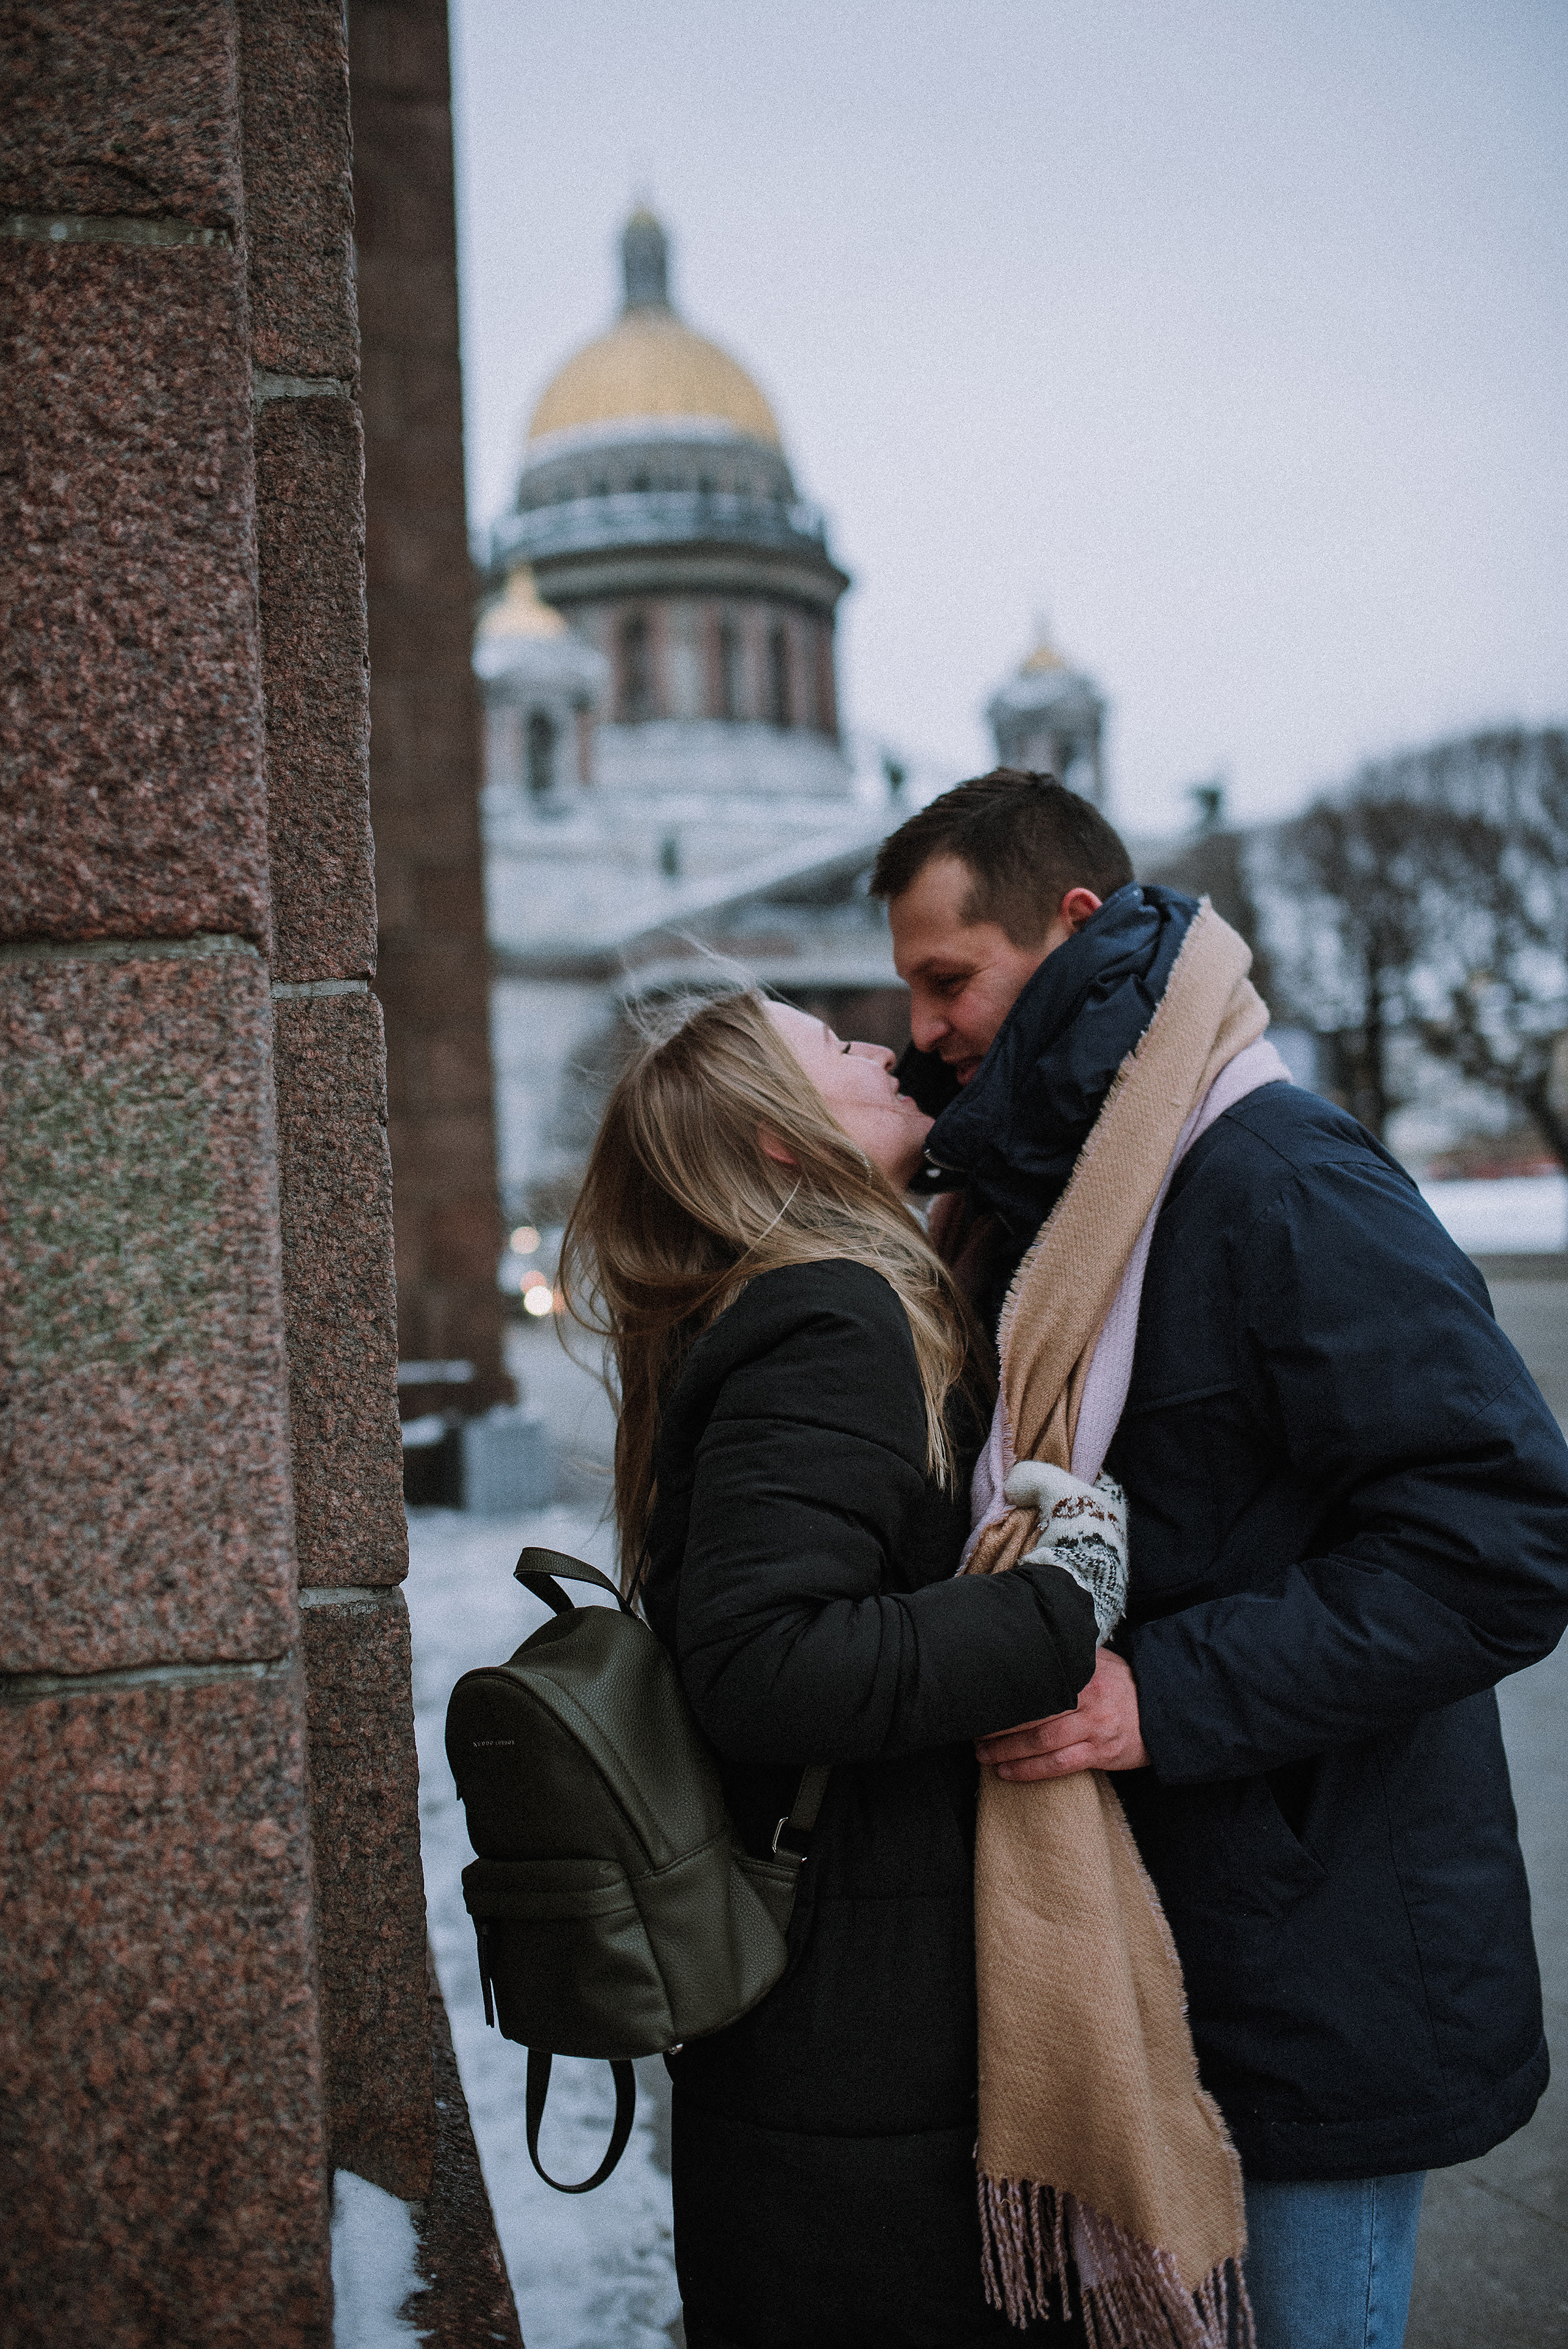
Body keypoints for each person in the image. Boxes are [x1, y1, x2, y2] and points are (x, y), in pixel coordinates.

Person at [871, 767, 1568, 2349]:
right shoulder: (1048, 1202)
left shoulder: (1277, 1178)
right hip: (1159, 1949)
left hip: (1315, 1966)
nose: (924, 1029)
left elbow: (1504, 1537)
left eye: (947, 978)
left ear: (1071, 926)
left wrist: (1154, 1698)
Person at [560, 987, 1102, 2349]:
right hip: (864, 2040)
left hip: (824, 2016)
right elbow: (767, 1662)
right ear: (781, 1139)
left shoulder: (775, 1305)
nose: (878, 1045)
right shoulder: (833, 1316)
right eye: (834, 1046)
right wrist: (1062, 1606)